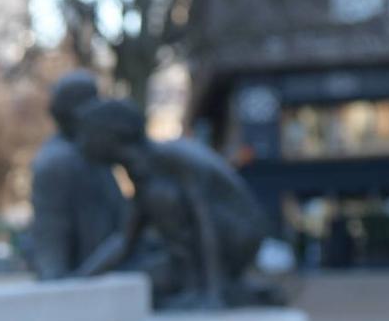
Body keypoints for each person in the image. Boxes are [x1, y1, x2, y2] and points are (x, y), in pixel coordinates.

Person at [75, 98, 270, 307]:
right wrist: (78, 279)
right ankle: (201, 287)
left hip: (235, 239)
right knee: (140, 278)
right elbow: (124, 240)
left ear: (112, 134)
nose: (81, 143)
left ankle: (209, 287)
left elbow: (205, 223)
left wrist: (213, 293)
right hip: (195, 257)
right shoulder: (140, 175)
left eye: (87, 134)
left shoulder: (173, 160)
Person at [29, 71, 129, 280]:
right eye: (93, 103)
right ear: (77, 111)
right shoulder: (57, 162)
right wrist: (59, 289)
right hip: (83, 285)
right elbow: (51, 234)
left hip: (106, 279)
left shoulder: (95, 152)